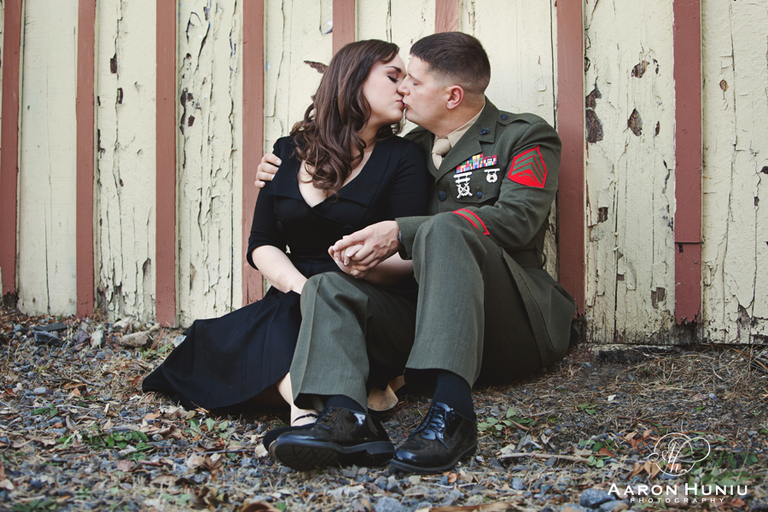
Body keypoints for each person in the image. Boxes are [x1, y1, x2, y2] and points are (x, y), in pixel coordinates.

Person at [257, 32, 577, 474]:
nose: (403, 88)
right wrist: (281, 170)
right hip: (428, 324)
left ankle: (453, 414)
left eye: (414, 81)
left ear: (452, 95)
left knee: (447, 228)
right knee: (331, 286)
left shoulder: (524, 137)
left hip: (512, 323)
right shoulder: (408, 152)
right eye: (398, 78)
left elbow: (518, 221)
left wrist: (401, 231)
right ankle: (347, 418)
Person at [142, 40, 430, 433]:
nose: (403, 89)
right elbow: (262, 242)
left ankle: (306, 416)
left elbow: (409, 258)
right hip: (293, 291)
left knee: (289, 320)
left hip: (367, 299)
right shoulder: (287, 151)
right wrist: (301, 288)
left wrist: (352, 273)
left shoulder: (403, 157)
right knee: (216, 338)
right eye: (393, 77)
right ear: (351, 81)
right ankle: (328, 405)